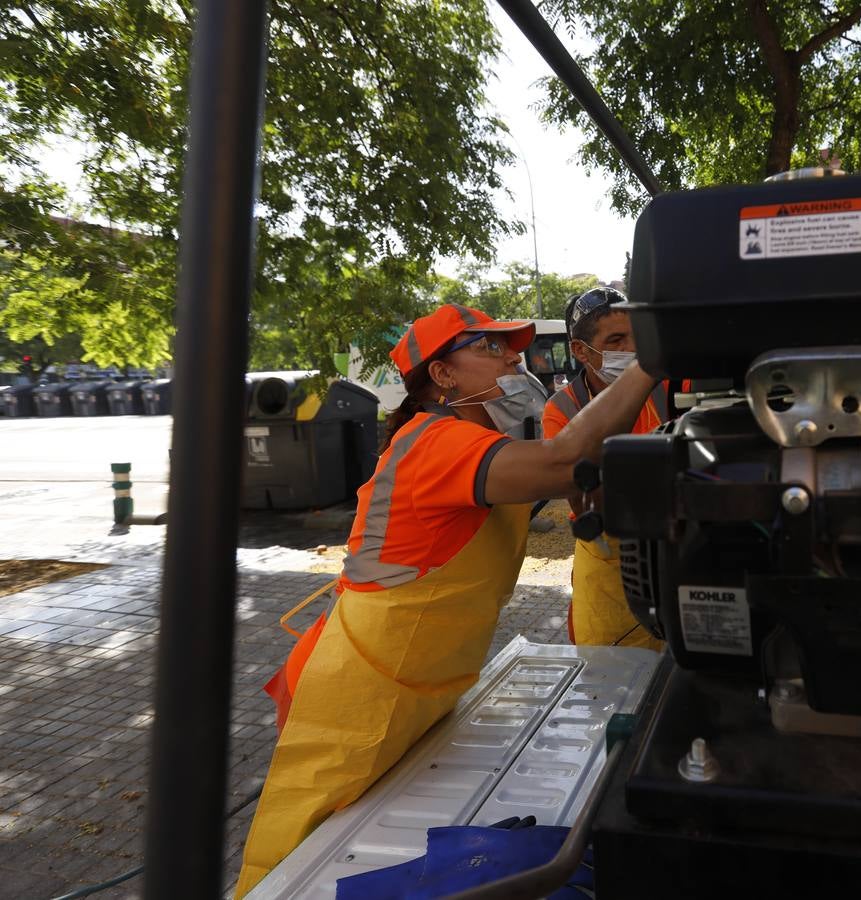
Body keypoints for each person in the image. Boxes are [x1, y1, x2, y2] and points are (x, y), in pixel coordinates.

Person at [234, 303, 658, 898]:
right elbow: (567, 462)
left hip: (416, 680)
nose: (513, 357)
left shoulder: (478, 443)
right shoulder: (438, 443)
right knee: (292, 862)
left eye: (512, 347)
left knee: (351, 852)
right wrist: (653, 365)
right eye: (489, 348)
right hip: (361, 687)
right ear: (442, 376)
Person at [542, 287, 670, 650]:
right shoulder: (562, 410)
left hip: (672, 549)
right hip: (609, 562)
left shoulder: (667, 385)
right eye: (617, 340)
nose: (632, 349)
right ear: (580, 351)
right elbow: (584, 501)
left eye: (637, 336)